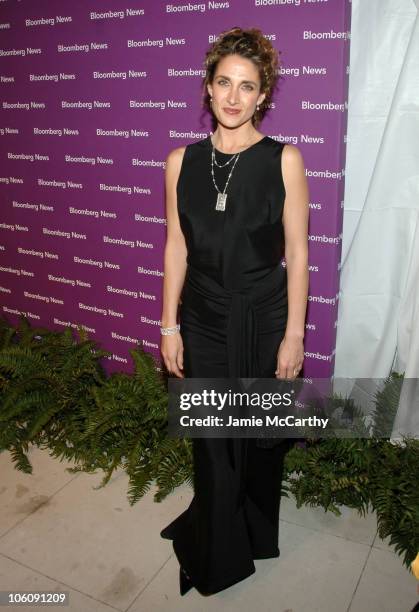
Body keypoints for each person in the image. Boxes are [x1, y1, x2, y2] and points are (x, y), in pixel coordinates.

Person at [159, 26, 309, 597]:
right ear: (208, 86)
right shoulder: (180, 162)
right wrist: (169, 323)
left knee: (258, 439)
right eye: (224, 82)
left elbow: (297, 253)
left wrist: (294, 334)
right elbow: (176, 245)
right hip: (201, 315)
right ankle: (216, 555)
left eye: (247, 87)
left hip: (266, 316)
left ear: (263, 95)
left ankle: (253, 533)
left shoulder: (284, 160)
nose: (233, 97)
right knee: (213, 441)